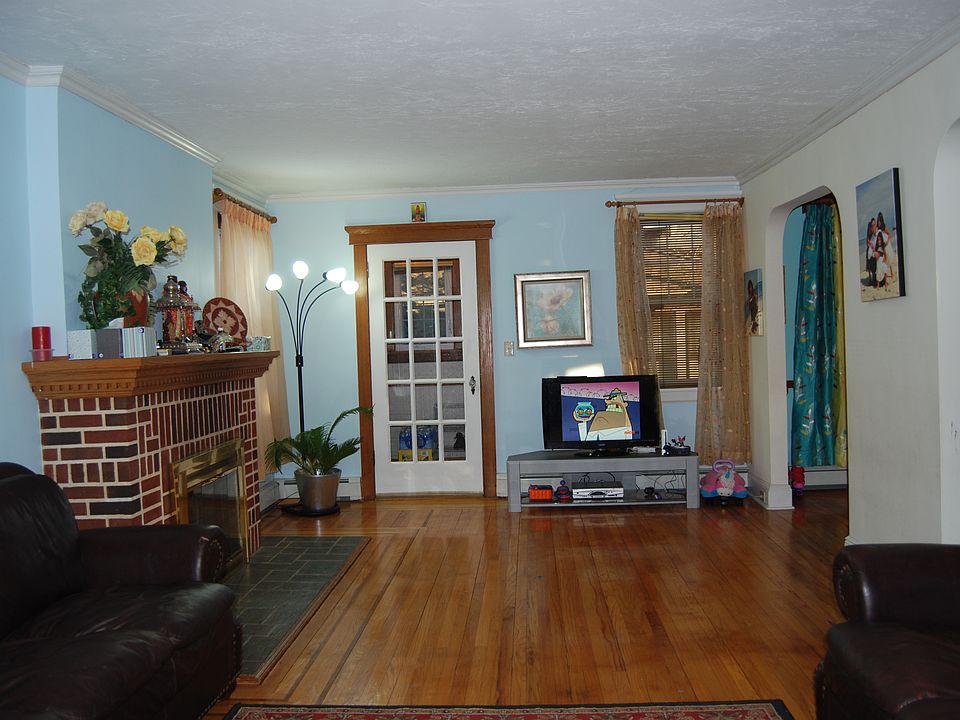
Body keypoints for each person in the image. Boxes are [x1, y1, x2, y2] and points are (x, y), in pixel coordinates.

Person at [864, 217, 877, 287]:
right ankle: (870, 279)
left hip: (873, 250)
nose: (873, 226)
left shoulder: (874, 232)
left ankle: (873, 279)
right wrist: (870, 244)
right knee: (869, 266)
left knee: (873, 266)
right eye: (872, 225)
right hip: (869, 250)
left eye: (873, 224)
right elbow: (868, 242)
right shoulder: (869, 234)